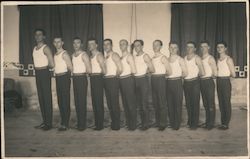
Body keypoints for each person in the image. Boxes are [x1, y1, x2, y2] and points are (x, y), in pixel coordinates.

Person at [33, 29, 54, 131]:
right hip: (38, 73)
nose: (37, 36)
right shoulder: (34, 48)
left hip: (44, 73)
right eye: (36, 35)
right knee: (41, 97)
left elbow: (51, 63)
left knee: (46, 97)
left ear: (44, 37)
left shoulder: (46, 48)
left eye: (40, 34)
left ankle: (49, 123)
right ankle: (44, 121)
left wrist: (45, 69)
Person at [133, 39, 155, 130]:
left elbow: (152, 69)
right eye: (135, 46)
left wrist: (146, 71)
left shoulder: (145, 56)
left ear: (142, 46)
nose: (136, 47)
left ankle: (146, 124)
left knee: (144, 103)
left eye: (138, 45)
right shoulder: (134, 56)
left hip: (143, 80)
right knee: (139, 104)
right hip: (135, 80)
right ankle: (142, 122)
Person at [183, 41, 205, 130]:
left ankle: (194, 123)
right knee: (188, 103)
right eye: (187, 47)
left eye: (191, 47)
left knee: (194, 103)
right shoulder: (184, 58)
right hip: (186, 82)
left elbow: (202, 72)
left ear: (195, 49)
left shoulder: (197, 58)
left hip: (194, 82)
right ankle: (190, 120)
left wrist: (194, 76)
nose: (189, 49)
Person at [72, 37, 92, 131]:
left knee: (81, 102)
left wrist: (83, 76)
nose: (76, 45)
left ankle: (82, 124)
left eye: (78, 43)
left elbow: (89, 69)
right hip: (75, 78)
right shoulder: (72, 55)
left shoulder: (84, 55)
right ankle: (79, 122)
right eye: (74, 43)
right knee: (77, 102)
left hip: (81, 78)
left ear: (82, 44)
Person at [151, 40, 172, 131]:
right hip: (153, 79)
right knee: (155, 102)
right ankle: (158, 121)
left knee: (161, 102)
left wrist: (162, 77)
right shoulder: (152, 58)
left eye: (157, 45)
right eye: (154, 45)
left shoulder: (163, 57)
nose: (155, 47)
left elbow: (169, 71)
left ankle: (163, 123)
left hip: (161, 79)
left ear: (161, 46)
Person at [167, 41, 187, 130]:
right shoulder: (166, 59)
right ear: (168, 48)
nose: (173, 49)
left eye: (175, 47)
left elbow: (185, 73)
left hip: (177, 82)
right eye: (171, 47)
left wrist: (177, 78)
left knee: (177, 104)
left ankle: (176, 124)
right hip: (168, 83)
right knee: (170, 104)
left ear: (178, 49)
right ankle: (171, 123)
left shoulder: (180, 59)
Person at [53, 37, 73, 131]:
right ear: (54, 43)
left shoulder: (64, 54)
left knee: (65, 100)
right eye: (55, 42)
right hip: (58, 77)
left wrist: (66, 78)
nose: (57, 44)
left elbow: (70, 67)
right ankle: (63, 121)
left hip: (64, 77)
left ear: (62, 43)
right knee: (60, 100)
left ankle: (66, 123)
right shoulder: (55, 54)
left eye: (59, 42)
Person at [103, 39, 123, 130]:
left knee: (114, 103)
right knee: (110, 103)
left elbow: (120, 68)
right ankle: (113, 122)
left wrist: (115, 77)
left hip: (113, 80)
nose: (106, 46)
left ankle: (117, 124)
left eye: (108, 44)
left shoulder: (114, 55)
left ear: (112, 45)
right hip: (107, 80)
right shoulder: (106, 56)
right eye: (104, 44)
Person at [216, 41, 236, 130]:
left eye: (221, 47)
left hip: (225, 81)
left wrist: (227, 79)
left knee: (226, 103)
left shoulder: (228, 59)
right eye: (218, 47)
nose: (220, 49)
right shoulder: (217, 60)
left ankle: (226, 124)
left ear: (225, 48)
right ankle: (222, 122)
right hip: (219, 81)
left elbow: (234, 74)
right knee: (221, 103)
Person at [119, 39, 137, 130]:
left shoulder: (129, 56)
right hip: (121, 80)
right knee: (125, 103)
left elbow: (134, 70)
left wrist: (129, 78)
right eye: (120, 44)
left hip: (128, 80)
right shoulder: (121, 57)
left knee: (130, 103)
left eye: (124, 44)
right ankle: (129, 123)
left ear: (127, 46)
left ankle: (133, 125)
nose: (122, 46)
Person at [199, 41, 217, 130]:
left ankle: (211, 123)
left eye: (205, 46)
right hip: (201, 82)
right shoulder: (200, 58)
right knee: (206, 104)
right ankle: (207, 122)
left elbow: (215, 73)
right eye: (201, 47)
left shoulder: (211, 58)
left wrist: (208, 76)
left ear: (208, 47)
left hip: (208, 82)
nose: (203, 48)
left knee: (210, 103)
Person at [88, 38, 106, 130]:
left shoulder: (99, 55)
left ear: (96, 45)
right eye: (89, 44)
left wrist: (98, 77)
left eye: (92, 44)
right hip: (93, 78)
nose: (90, 46)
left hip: (98, 78)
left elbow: (104, 70)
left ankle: (100, 125)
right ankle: (97, 123)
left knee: (98, 102)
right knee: (95, 102)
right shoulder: (91, 57)